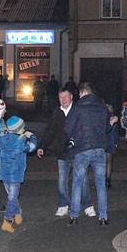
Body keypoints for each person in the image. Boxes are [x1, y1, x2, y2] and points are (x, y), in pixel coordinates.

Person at [36, 88, 94, 217]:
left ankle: (88, 205)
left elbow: (86, 129)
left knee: (83, 179)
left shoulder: (78, 111)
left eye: (65, 97)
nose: (63, 100)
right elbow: (50, 130)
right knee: (62, 180)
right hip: (62, 152)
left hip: (78, 152)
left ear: (71, 97)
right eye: (60, 97)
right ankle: (63, 204)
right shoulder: (57, 112)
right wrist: (42, 146)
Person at [64, 82, 110, 226]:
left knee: (77, 183)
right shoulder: (102, 106)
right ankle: (103, 217)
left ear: (83, 93)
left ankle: (74, 216)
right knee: (101, 184)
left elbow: (68, 129)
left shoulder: (78, 107)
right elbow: (106, 127)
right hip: (99, 149)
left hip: (82, 149)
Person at [0, 116, 38, 233]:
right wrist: (32, 136)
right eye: (23, 126)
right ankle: (7, 221)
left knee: (12, 195)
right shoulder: (20, 141)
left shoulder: (3, 139)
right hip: (15, 174)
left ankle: (17, 214)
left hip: (4, 173)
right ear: (19, 128)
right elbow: (32, 147)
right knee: (12, 198)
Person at [105, 104, 119, 188]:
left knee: (103, 162)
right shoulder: (113, 118)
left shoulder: (102, 117)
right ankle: (108, 179)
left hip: (104, 141)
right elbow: (115, 132)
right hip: (111, 141)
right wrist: (116, 142)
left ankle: (103, 178)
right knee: (109, 162)